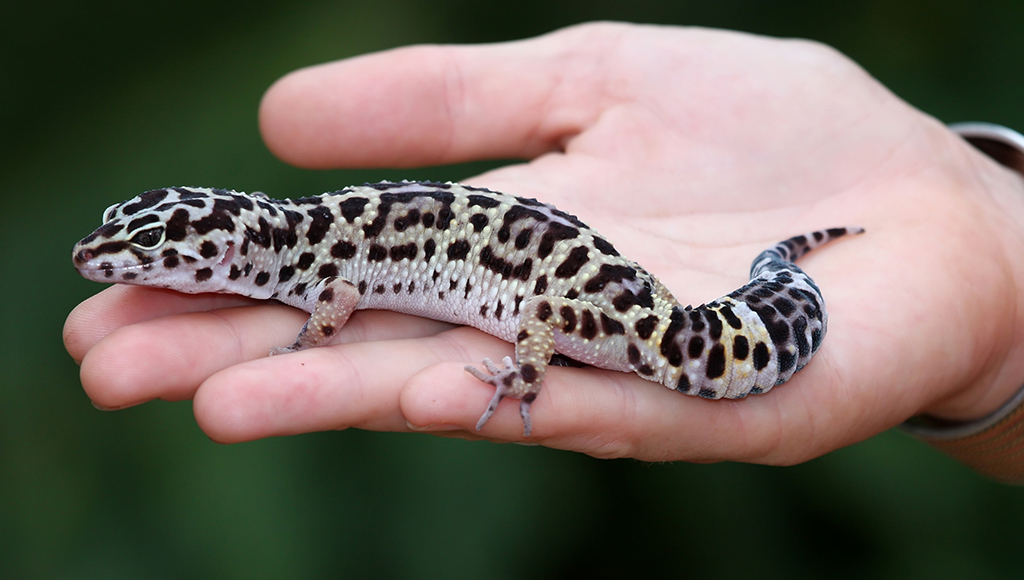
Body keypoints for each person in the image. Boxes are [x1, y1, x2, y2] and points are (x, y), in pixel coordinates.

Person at [63, 22, 1024, 481]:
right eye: (140, 254)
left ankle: (570, 353)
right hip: (614, 295)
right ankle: (772, 280)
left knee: (557, 323)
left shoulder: (317, 261)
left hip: (602, 321)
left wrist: (520, 363)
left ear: (222, 245)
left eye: (146, 255)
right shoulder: (309, 246)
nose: (120, 262)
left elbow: (340, 297)